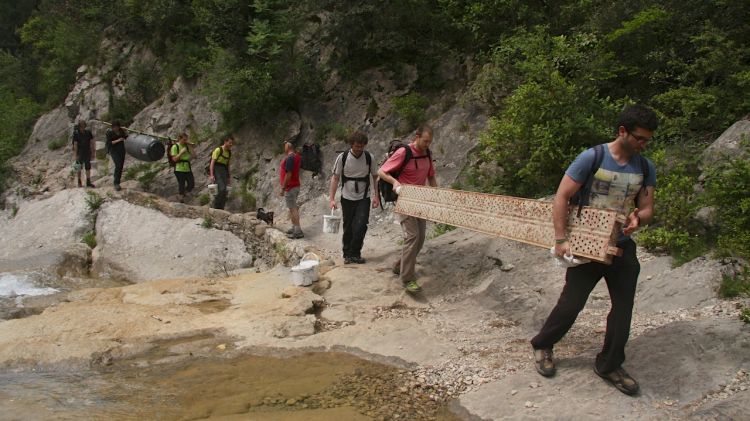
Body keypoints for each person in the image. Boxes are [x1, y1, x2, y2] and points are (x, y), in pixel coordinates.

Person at [530, 104, 659, 396]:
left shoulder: (645, 166)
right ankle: (543, 344)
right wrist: (561, 239)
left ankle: (609, 364)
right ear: (622, 131)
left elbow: (648, 207)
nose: (643, 144)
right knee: (572, 303)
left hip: (622, 248)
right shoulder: (593, 157)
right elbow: (562, 196)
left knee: (623, 309)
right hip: (587, 245)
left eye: (647, 140)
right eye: (639, 138)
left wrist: (639, 218)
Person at [377, 124, 436, 293]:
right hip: (404, 199)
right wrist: (395, 182)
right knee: (413, 236)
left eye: (430, 142)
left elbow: (431, 176)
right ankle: (407, 278)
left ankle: (400, 265)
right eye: (425, 141)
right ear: (416, 136)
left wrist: (437, 197)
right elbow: (381, 172)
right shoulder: (404, 152)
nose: (427, 145)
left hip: (421, 200)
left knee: (421, 237)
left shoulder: (428, 154)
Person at [328, 131, 380, 264]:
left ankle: (356, 253)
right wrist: (332, 198)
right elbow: (335, 178)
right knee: (349, 226)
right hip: (346, 197)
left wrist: (376, 196)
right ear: (351, 144)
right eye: (356, 146)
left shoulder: (369, 157)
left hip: (364, 197)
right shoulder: (343, 157)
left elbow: (375, 177)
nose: (359, 149)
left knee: (361, 225)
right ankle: (347, 254)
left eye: (361, 146)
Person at [280, 139, 304, 239]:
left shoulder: (290, 158)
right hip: (295, 185)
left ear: (288, 146)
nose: (284, 147)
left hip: (290, 186)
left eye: (285, 145)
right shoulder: (297, 156)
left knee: (293, 208)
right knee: (292, 207)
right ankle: (294, 227)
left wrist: (283, 187)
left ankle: (297, 231)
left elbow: (288, 174)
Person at [208, 135, 234, 210]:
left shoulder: (229, 152)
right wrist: (212, 175)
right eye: (230, 143)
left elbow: (228, 165)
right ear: (225, 142)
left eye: (232, 143)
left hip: (224, 170)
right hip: (217, 170)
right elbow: (212, 163)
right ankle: (216, 206)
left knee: (225, 191)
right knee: (221, 188)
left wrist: (229, 176)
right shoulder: (218, 150)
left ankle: (221, 207)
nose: (231, 145)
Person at [171, 133, 195, 202]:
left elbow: (194, 156)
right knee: (181, 183)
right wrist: (181, 153)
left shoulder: (187, 146)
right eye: (184, 140)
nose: (186, 141)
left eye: (186, 139)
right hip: (179, 168)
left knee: (191, 184)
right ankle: (181, 198)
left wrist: (190, 147)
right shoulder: (175, 147)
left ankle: (182, 195)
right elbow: (174, 159)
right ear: (180, 139)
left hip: (187, 168)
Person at [71, 120, 96, 188]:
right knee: (78, 167)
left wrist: (93, 152)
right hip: (80, 152)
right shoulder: (76, 133)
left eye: (83, 126)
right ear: (79, 127)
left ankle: (88, 181)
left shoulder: (88, 132)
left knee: (88, 167)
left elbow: (92, 142)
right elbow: (75, 144)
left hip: (87, 151)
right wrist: (75, 154)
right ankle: (79, 181)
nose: (82, 127)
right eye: (81, 126)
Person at [106, 121, 128, 191]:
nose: (115, 129)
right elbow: (109, 143)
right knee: (118, 165)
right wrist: (118, 140)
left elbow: (126, 137)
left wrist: (126, 131)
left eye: (116, 127)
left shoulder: (121, 131)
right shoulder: (110, 133)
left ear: (118, 127)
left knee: (120, 166)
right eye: (114, 127)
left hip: (121, 150)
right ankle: (116, 183)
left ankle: (117, 181)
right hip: (113, 151)